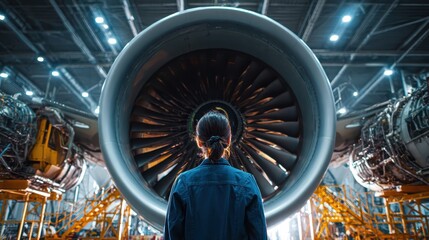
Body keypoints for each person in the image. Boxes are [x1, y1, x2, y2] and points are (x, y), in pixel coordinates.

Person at [164, 111, 267, 240]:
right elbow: (259, 235)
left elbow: (172, 235)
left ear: (198, 141)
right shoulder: (246, 183)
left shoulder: (183, 183)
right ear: (229, 140)